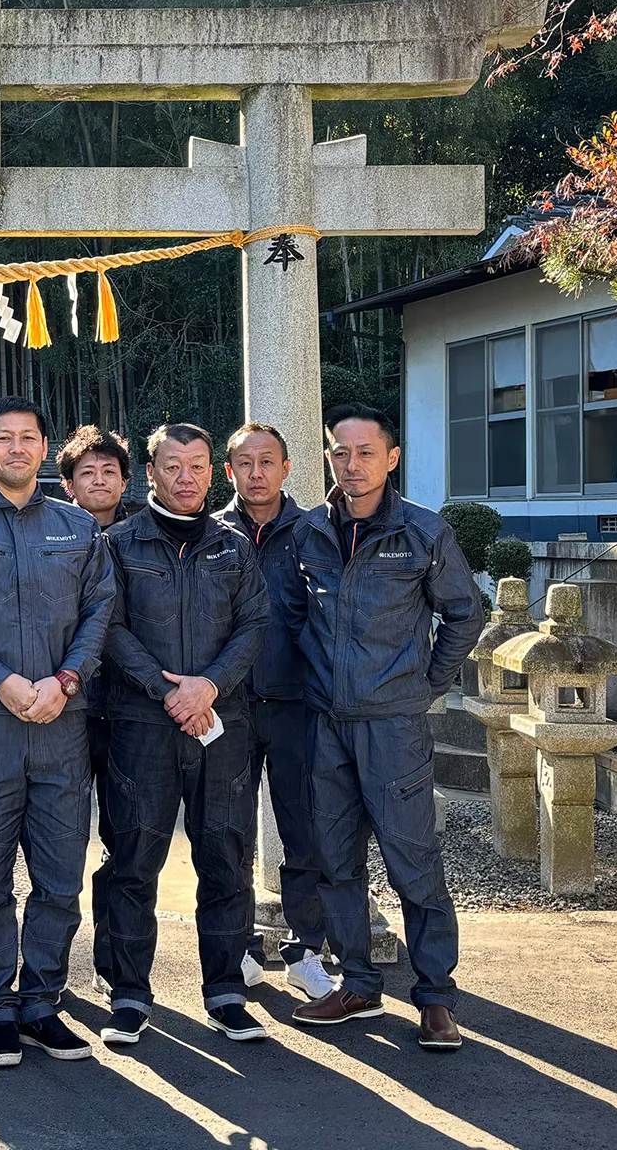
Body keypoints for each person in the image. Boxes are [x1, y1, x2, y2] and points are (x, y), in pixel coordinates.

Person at [0, 396, 115, 1069]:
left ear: (44, 447)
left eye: (28, 438)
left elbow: (100, 610)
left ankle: (42, 1001)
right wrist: (3, 680)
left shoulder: (76, 526)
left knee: (61, 876)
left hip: (62, 723)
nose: (15, 449)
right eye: (2, 439)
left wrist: (65, 680)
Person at [290, 403, 482, 1051]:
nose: (351, 464)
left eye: (365, 452)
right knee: (336, 864)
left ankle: (434, 999)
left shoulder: (423, 534)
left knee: (414, 865)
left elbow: (463, 615)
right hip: (327, 727)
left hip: (393, 729)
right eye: (339, 452)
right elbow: (291, 619)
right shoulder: (309, 531)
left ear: (392, 458)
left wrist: (424, 684)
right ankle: (360, 984)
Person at [98, 423, 270, 1046]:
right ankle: (129, 993)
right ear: (151, 473)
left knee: (226, 855)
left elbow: (255, 623)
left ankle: (225, 989)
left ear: (210, 472)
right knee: (134, 858)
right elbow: (108, 627)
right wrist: (169, 690)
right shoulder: (118, 544)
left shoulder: (233, 546)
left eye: (198, 466)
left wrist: (209, 687)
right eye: (174, 467)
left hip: (221, 725)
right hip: (142, 725)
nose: (187, 478)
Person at [213, 423, 338, 1003]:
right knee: (227, 830)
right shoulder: (211, 533)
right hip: (227, 708)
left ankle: (307, 949)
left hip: (299, 705)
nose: (256, 473)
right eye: (245, 463)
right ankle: (235, 946)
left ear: (288, 469)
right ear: (228, 471)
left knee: (304, 827)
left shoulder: (316, 531)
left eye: (268, 462)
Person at [54, 425, 135, 994]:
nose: (100, 481)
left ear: (126, 481)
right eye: (88, 473)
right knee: (56, 841)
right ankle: (48, 966)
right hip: (65, 708)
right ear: (68, 485)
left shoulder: (144, 539)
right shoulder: (54, 538)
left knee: (123, 838)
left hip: (129, 710)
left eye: (110, 471)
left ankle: (113, 963)